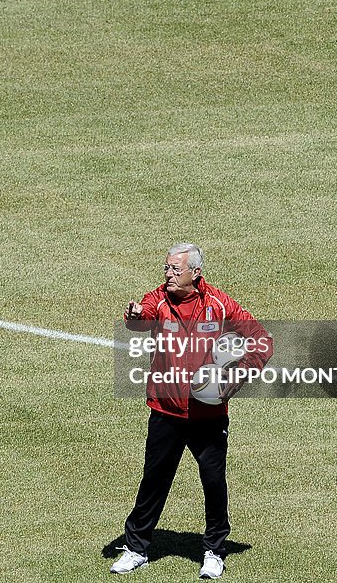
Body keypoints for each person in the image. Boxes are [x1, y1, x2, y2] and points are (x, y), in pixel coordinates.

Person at [110, 243, 272, 579]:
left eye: (175, 269)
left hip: (208, 417)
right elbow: (141, 318)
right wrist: (135, 316)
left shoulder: (218, 303)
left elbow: (261, 338)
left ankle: (214, 550)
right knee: (154, 480)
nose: (168, 274)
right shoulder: (157, 299)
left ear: (194, 273)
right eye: (166, 268)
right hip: (166, 410)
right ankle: (136, 548)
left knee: (213, 482)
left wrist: (239, 375)